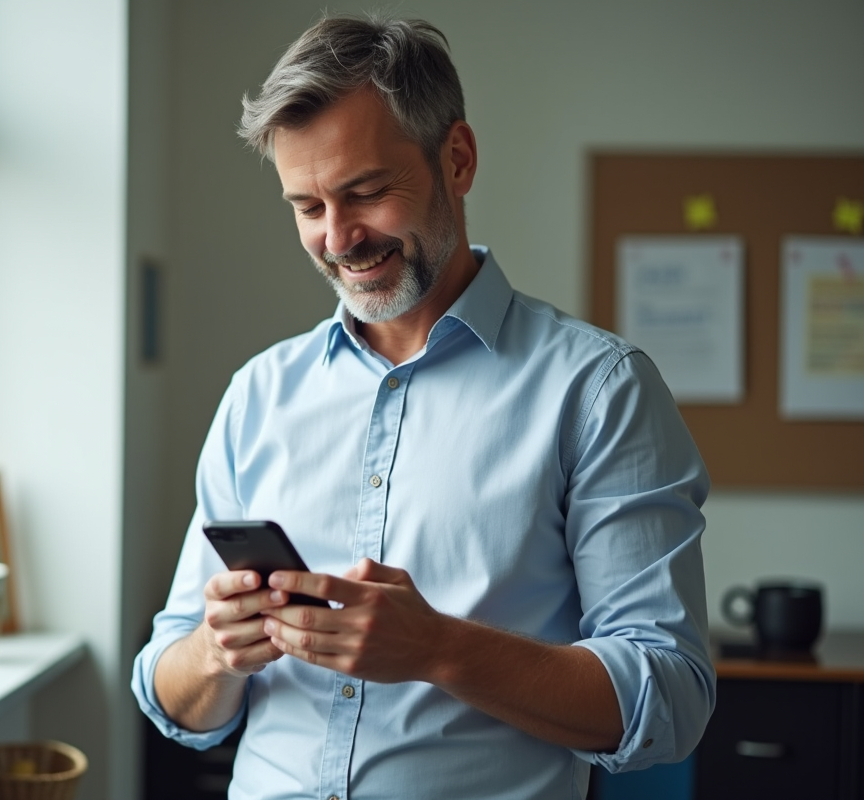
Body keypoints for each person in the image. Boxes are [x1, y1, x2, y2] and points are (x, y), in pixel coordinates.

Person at [132, 13, 714, 800]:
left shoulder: (599, 392)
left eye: (366, 192)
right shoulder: (257, 396)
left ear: (458, 159)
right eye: (307, 207)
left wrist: (438, 648)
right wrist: (214, 652)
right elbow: (171, 698)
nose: (339, 238)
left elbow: (669, 697)